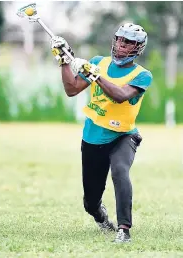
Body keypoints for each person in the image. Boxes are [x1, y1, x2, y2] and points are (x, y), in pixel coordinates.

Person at [50, 22, 153, 243]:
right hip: (93, 136)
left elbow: (120, 95)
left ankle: (124, 230)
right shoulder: (98, 63)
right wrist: (64, 60)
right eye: (119, 39)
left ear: (138, 48)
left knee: (119, 170)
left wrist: (95, 75)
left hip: (123, 136)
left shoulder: (143, 75)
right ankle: (101, 216)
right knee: (90, 203)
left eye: (128, 42)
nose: (121, 45)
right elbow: (71, 89)